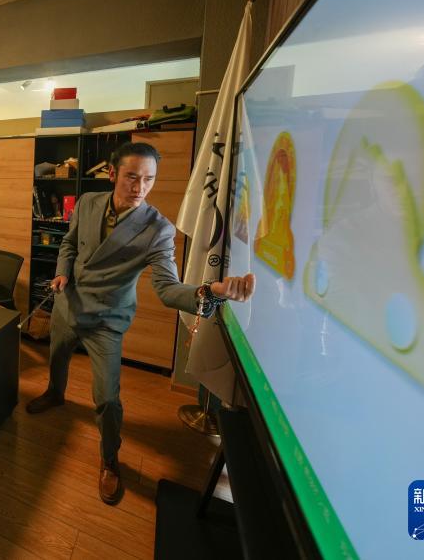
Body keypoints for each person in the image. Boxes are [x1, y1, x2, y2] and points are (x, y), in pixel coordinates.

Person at [24, 142, 256, 505]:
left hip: (107, 319)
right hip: (68, 304)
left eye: (149, 179)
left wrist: (211, 291)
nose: (140, 187)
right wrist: (62, 272)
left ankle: (109, 458)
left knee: (107, 397)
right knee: (58, 355)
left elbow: (168, 289)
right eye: (132, 177)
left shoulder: (158, 229)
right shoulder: (86, 203)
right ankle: (55, 393)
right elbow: (68, 244)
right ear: (112, 174)